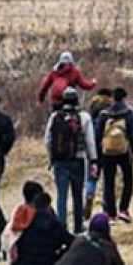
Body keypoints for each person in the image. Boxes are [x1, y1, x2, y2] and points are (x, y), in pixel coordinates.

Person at [45, 88, 97, 233]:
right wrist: (93, 159)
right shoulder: (84, 117)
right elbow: (90, 141)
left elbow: (48, 140)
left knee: (61, 195)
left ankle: (62, 226)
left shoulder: (55, 116)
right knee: (77, 195)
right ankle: (78, 225)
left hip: (60, 162)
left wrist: (51, 157)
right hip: (78, 160)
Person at [94, 87, 133, 223]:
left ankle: (110, 213)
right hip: (124, 151)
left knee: (108, 182)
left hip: (107, 152)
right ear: (124, 98)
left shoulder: (104, 114)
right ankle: (123, 209)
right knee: (128, 180)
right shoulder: (129, 113)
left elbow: (97, 134)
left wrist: (98, 153)